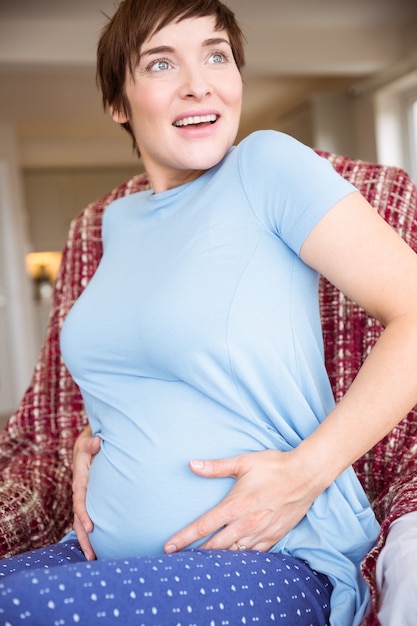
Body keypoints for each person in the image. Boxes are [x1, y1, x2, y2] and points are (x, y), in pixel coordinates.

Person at [1, 0, 417, 624]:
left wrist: (305, 473)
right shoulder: (111, 224)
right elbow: (158, 374)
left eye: (216, 55)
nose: (199, 83)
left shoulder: (268, 166)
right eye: (162, 63)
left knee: (23, 609)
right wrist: (101, 437)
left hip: (273, 553)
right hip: (98, 555)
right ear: (119, 103)